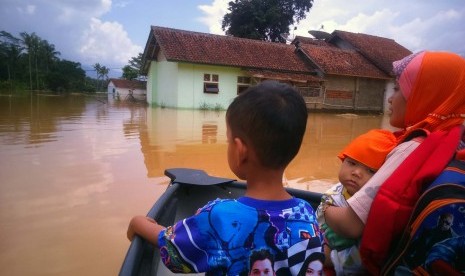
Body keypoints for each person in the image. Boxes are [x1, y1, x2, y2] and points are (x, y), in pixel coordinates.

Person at [127, 80, 323, 275]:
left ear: (240, 151)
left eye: (228, 140)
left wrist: (138, 223)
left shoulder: (219, 216)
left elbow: (174, 253)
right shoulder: (307, 214)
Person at [322, 51, 465, 274]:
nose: (390, 98)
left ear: (424, 93)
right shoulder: (454, 141)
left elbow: (350, 224)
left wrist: (324, 207)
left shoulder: (414, 147)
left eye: (398, 89)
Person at [316, 129, 397, 275]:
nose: (356, 173)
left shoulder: (376, 204)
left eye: (371, 171)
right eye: (352, 163)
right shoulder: (335, 193)